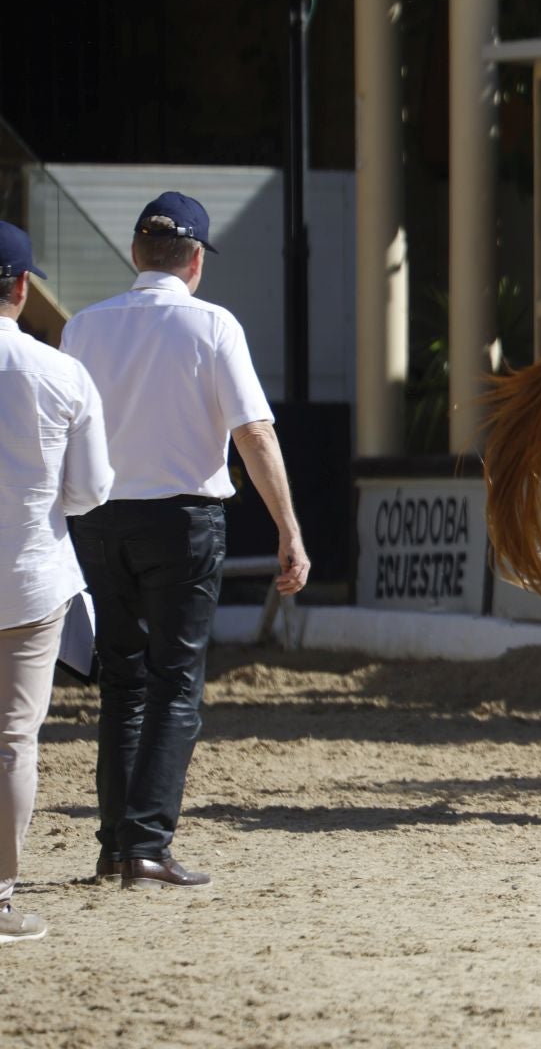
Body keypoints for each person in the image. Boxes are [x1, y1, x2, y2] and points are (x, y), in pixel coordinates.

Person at [63, 191, 308, 890]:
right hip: (184, 521)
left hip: (101, 518)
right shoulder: (213, 325)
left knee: (123, 684)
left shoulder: (83, 326)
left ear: (137, 253)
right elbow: (254, 433)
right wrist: (289, 528)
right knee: (176, 684)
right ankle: (145, 844)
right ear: (195, 260)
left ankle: (115, 845)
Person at [0, 221, 114, 941]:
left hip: (31, 576)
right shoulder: (62, 372)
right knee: (14, 739)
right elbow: (92, 490)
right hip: (30, 576)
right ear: (20, 285)